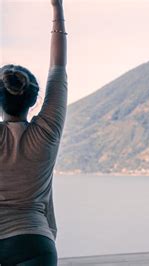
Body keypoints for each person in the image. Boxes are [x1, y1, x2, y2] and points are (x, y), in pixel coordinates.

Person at [0, 0, 67, 265]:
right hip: (36, 245)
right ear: (33, 99)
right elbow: (57, 70)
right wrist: (57, 9)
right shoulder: (48, 132)